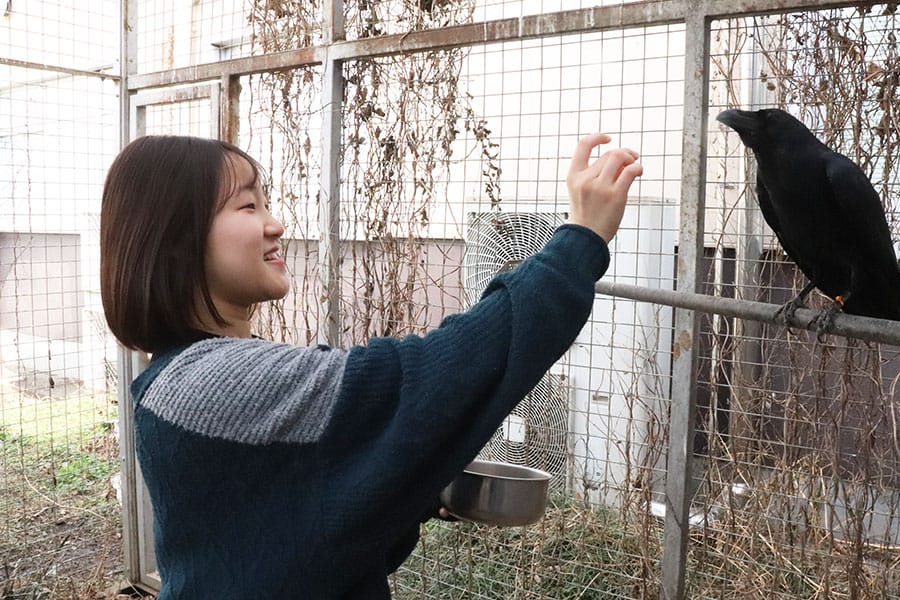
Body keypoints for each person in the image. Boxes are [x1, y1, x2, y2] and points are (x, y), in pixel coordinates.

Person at [100, 133, 642, 598]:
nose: (277, 223)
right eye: (248, 207)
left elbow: (292, 531)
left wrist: (420, 487)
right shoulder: (214, 382)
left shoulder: (176, 381)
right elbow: (433, 377)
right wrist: (580, 239)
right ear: (176, 242)